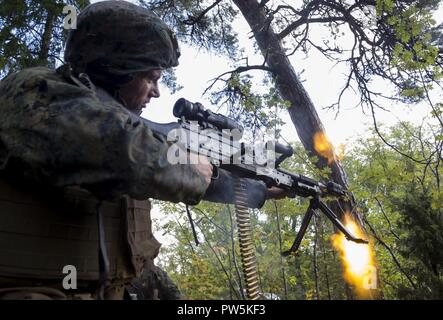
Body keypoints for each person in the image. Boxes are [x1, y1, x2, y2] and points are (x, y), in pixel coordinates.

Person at [0, 0, 285, 300]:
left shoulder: (130, 128)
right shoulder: (35, 92)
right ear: (117, 69)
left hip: (118, 287)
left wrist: (258, 190)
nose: (157, 91)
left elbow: (184, 169)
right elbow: (122, 151)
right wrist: (192, 169)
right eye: (151, 78)